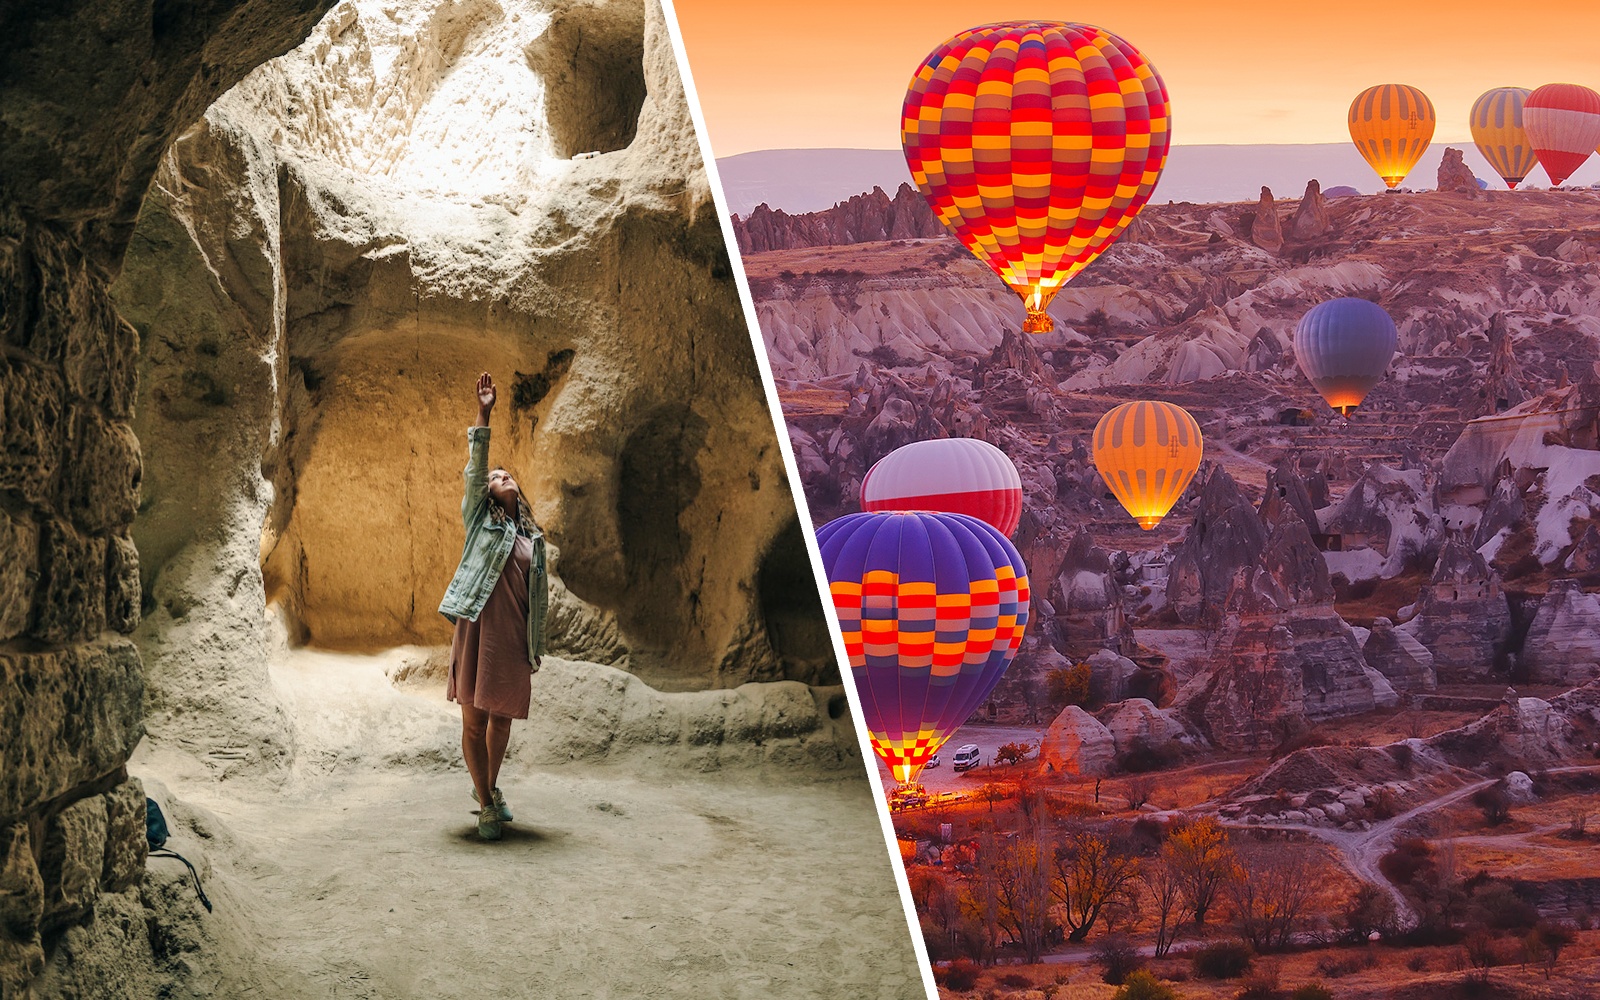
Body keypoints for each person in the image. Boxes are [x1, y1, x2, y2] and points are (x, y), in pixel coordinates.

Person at [438, 372, 549, 840]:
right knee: (474, 718)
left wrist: (534, 648)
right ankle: (486, 804)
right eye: (494, 476)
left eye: (508, 475)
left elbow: (537, 604)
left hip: (510, 640)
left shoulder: (533, 540)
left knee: (500, 719)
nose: (500, 476)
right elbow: (475, 466)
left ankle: (489, 789)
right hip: (477, 628)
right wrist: (484, 413)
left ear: (518, 490)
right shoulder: (480, 519)